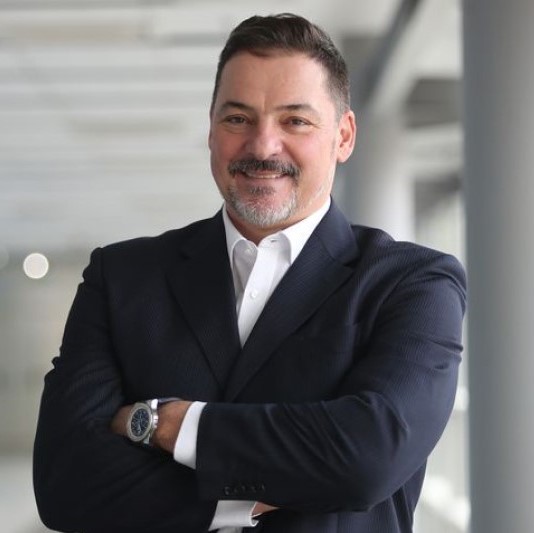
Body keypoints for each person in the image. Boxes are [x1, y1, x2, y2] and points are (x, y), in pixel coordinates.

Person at [33, 13, 466, 533]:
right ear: (211, 129)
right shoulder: (121, 277)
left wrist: (168, 424)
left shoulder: (412, 283)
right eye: (238, 118)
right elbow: (65, 484)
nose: (262, 147)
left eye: (295, 121)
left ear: (344, 136)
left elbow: (369, 456)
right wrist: (253, 493)